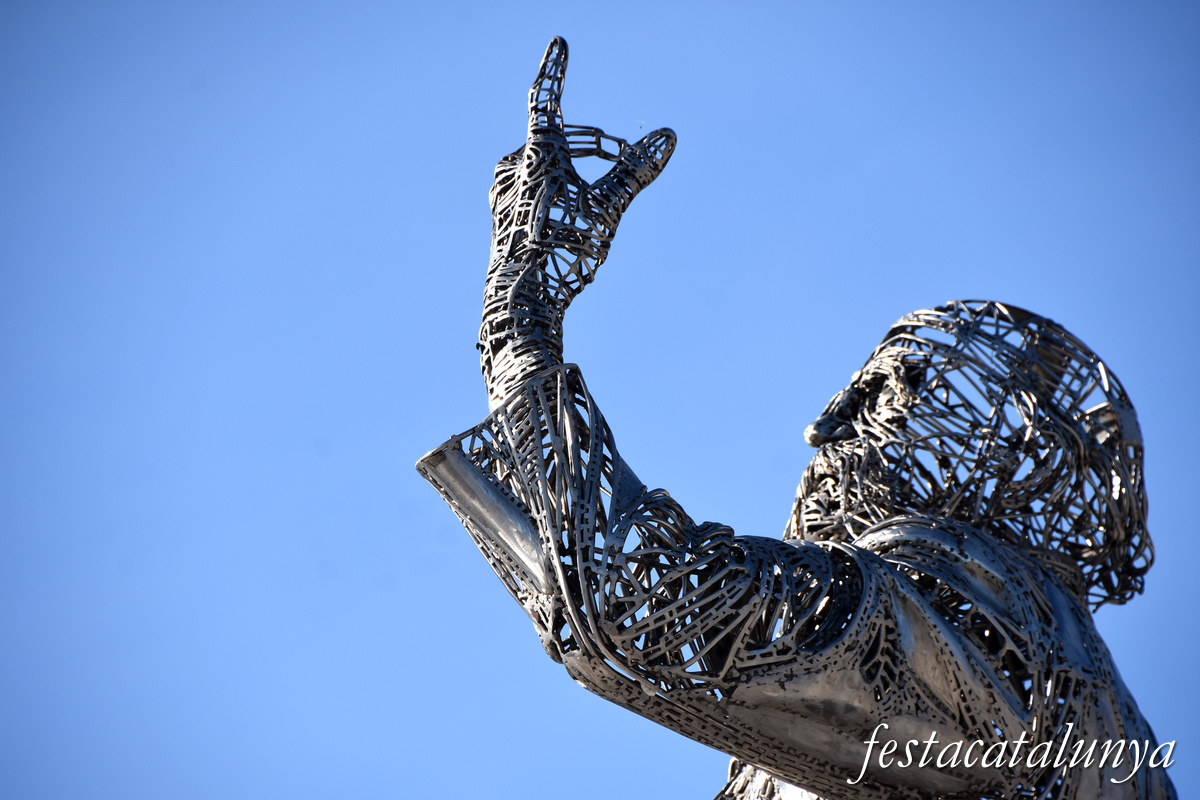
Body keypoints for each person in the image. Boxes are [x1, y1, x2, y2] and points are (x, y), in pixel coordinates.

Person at [416, 38, 1175, 800]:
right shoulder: (1099, 711)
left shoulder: (972, 593)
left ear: (1008, 452)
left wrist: (519, 314)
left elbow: (631, 609)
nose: (827, 426)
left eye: (895, 388)